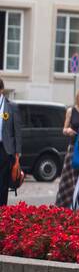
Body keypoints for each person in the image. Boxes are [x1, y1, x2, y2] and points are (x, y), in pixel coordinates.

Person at [55, 88, 79, 209]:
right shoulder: (71, 110)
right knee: (69, 179)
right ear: (77, 98)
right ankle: (66, 205)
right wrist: (68, 130)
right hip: (73, 148)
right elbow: (64, 129)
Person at [0, 78, 23, 206]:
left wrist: (17, 154)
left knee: (2, 182)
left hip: (5, 148)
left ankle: (2, 211)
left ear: (1, 89)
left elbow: (17, 132)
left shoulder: (11, 106)